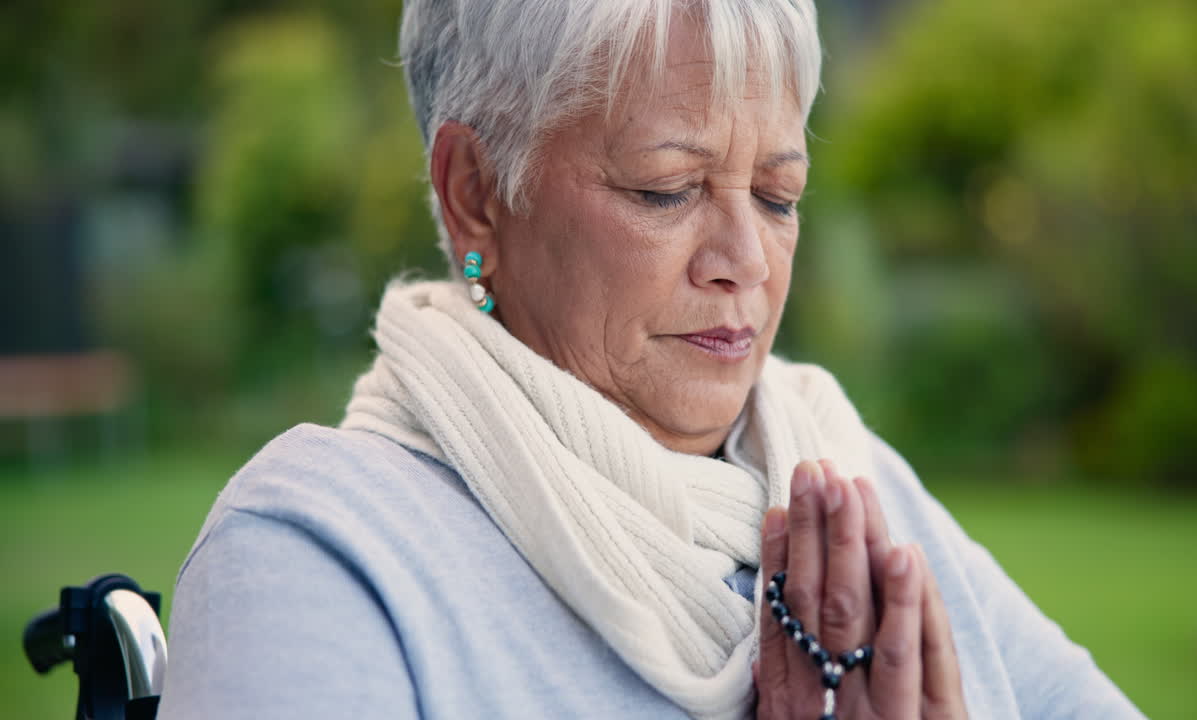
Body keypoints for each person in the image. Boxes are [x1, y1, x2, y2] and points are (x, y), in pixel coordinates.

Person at [157, 1, 1146, 718]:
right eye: (665, 190)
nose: (745, 263)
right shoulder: (317, 549)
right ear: (473, 194)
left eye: (776, 194)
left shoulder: (844, 471)